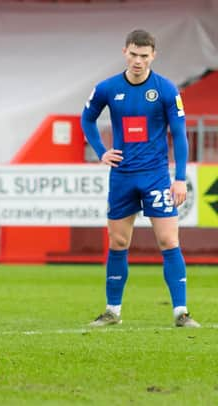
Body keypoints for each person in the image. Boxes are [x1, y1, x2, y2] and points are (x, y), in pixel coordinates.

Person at [81, 29, 200, 328]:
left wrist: (180, 178)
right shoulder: (108, 88)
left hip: (156, 176)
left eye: (144, 56)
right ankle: (112, 311)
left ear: (153, 56)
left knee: (168, 239)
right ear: (125, 52)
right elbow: (87, 118)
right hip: (122, 176)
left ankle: (181, 312)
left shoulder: (166, 90)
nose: (138, 61)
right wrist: (101, 151)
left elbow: (180, 135)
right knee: (118, 241)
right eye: (133, 54)